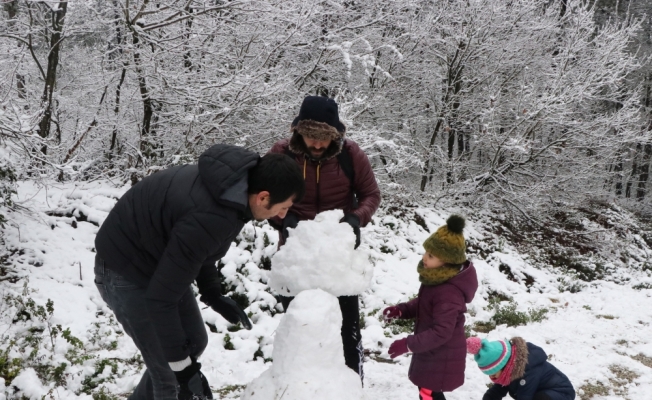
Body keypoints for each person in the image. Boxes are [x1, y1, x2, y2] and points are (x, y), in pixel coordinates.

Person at [94, 144, 305, 400]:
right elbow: (161, 300)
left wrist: (212, 292)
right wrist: (184, 372)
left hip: (155, 261)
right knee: (170, 374)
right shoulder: (214, 213)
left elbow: (198, 247)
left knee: (194, 341)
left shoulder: (233, 191)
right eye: (283, 206)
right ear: (262, 197)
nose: (283, 215)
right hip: (124, 269)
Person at [268, 95, 381, 381]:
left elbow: (371, 195)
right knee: (300, 327)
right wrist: (284, 219)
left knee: (347, 328)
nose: (317, 145)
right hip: (297, 254)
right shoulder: (282, 154)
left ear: (335, 135)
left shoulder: (351, 154)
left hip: (338, 255)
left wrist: (356, 219)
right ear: (299, 133)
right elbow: (265, 197)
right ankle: (298, 389)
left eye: (324, 139)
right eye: (310, 138)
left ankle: (353, 386)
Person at [383, 215, 478, 400]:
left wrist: (408, 344)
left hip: (441, 357)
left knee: (429, 394)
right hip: (433, 353)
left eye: (431, 255)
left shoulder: (448, 292)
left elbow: (442, 332)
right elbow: (425, 303)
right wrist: (402, 310)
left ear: (447, 261)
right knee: (427, 392)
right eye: (426, 251)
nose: (424, 257)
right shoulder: (438, 280)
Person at [466, 336, 576, 400]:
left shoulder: (527, 372)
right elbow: (496, 391)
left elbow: (525, 397)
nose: (492, 377)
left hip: (561, 394)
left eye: (494, 373)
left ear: (503, 365)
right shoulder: (508, 370)